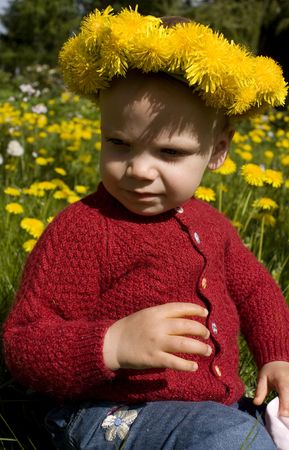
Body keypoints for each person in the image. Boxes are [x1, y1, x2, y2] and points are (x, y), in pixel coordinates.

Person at [3, 7, 289, 450]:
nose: (138, 169)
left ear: (217, 151)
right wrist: (111, 344)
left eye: (169, 152)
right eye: (118, 143)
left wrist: (277, 354)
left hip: (213, 410)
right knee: (232, 440)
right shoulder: (83, 229)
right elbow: (24, 341)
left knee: (240, 432)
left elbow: (255, 290)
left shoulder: (212, 225)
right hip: (107, 411)